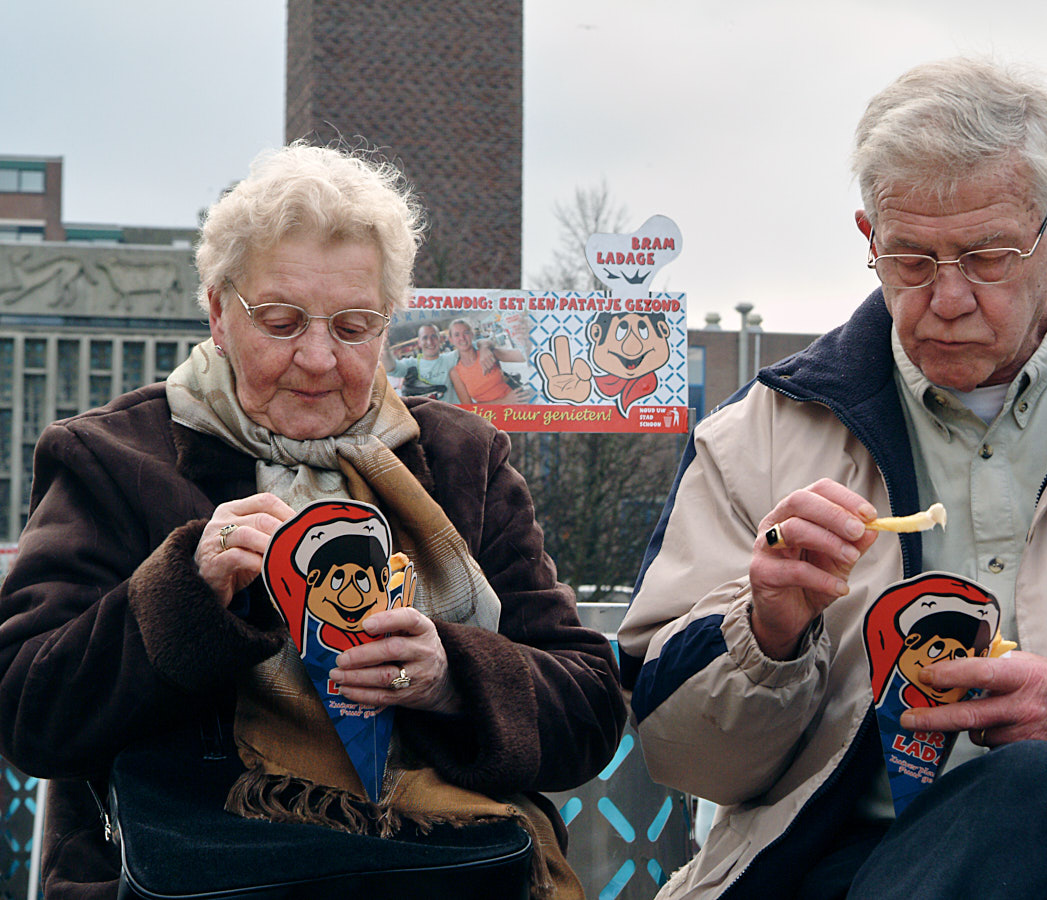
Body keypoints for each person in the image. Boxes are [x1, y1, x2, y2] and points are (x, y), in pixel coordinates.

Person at [619, 58, 1047, 900]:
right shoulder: (757, 435)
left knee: (1037, 792)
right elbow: (679, 756)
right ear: (868, 238)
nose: (945, 299)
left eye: (985, 257)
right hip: (839, 861)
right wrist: (763, 632)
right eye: (909, 258)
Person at [0, 142, 625, 899]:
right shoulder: (112, 458)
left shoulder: (465, 459)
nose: (319, 358)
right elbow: (28, 709)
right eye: (282, 320)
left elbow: (591, 707)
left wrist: (452, 677)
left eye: (354, 326)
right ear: (218, 313)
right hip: (191, 880)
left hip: (444, 874)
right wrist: (184, 595)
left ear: (389, 324)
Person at [448, 318, 531, 404]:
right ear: (451, 340)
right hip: (490, 414)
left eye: (466, 333)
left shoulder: (488, 354)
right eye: (457, 335)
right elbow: (469, 408)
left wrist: (526, 336)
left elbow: (522, 356)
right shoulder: (456, 373)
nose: (462, 338)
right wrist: (504, 401)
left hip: (516, 405)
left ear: (472, 334)